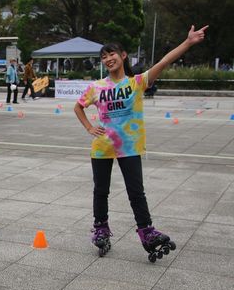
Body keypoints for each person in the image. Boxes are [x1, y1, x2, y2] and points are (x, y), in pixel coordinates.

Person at [74, 25, 208, 262]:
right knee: (100, 191)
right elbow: (78, 107)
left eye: (112, 54)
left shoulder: (137, 82)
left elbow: (164, 62)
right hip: (102, 147)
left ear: (123, 55)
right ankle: (101, 229)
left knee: (136, 192)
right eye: (104, 57)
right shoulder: (96, 87)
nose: (108, 59)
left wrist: (188, 42)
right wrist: (89, 127)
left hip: (129, 147)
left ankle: (146, 231)